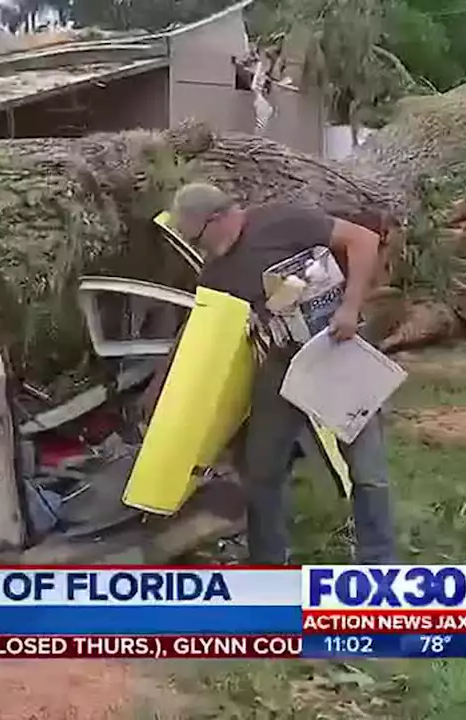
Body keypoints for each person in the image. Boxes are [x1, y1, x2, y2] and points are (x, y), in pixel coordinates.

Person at [147, 182, 396, 565]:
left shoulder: (281, 220)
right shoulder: (215, 274)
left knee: (367, 470)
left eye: (198, 237)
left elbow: (362, 240)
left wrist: (350, 308)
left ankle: (379, 564)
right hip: (280, 364)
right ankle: (269, 564)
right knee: (262, 471)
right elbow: (204, 335)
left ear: (218, 218)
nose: (199, 247)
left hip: (337, 352)